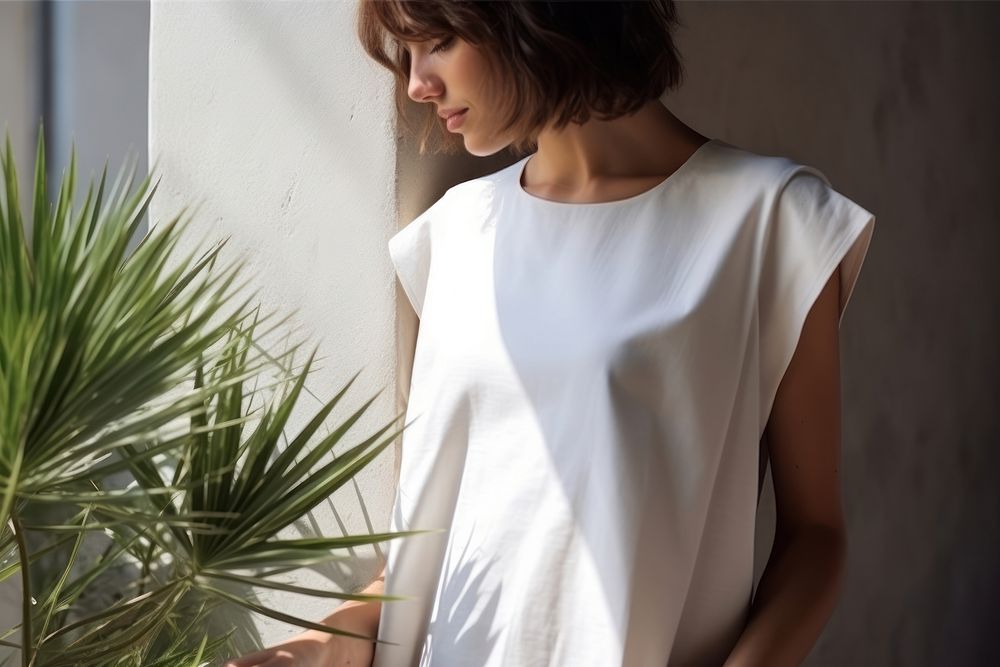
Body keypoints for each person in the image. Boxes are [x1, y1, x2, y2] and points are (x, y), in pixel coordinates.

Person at [225, 1, 875, 666]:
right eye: (407, 53)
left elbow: (815, 535)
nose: (417, 83)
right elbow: (434, 551)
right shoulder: (453, 236)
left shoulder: (771, 221)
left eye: (439, 41)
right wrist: (314, 648)